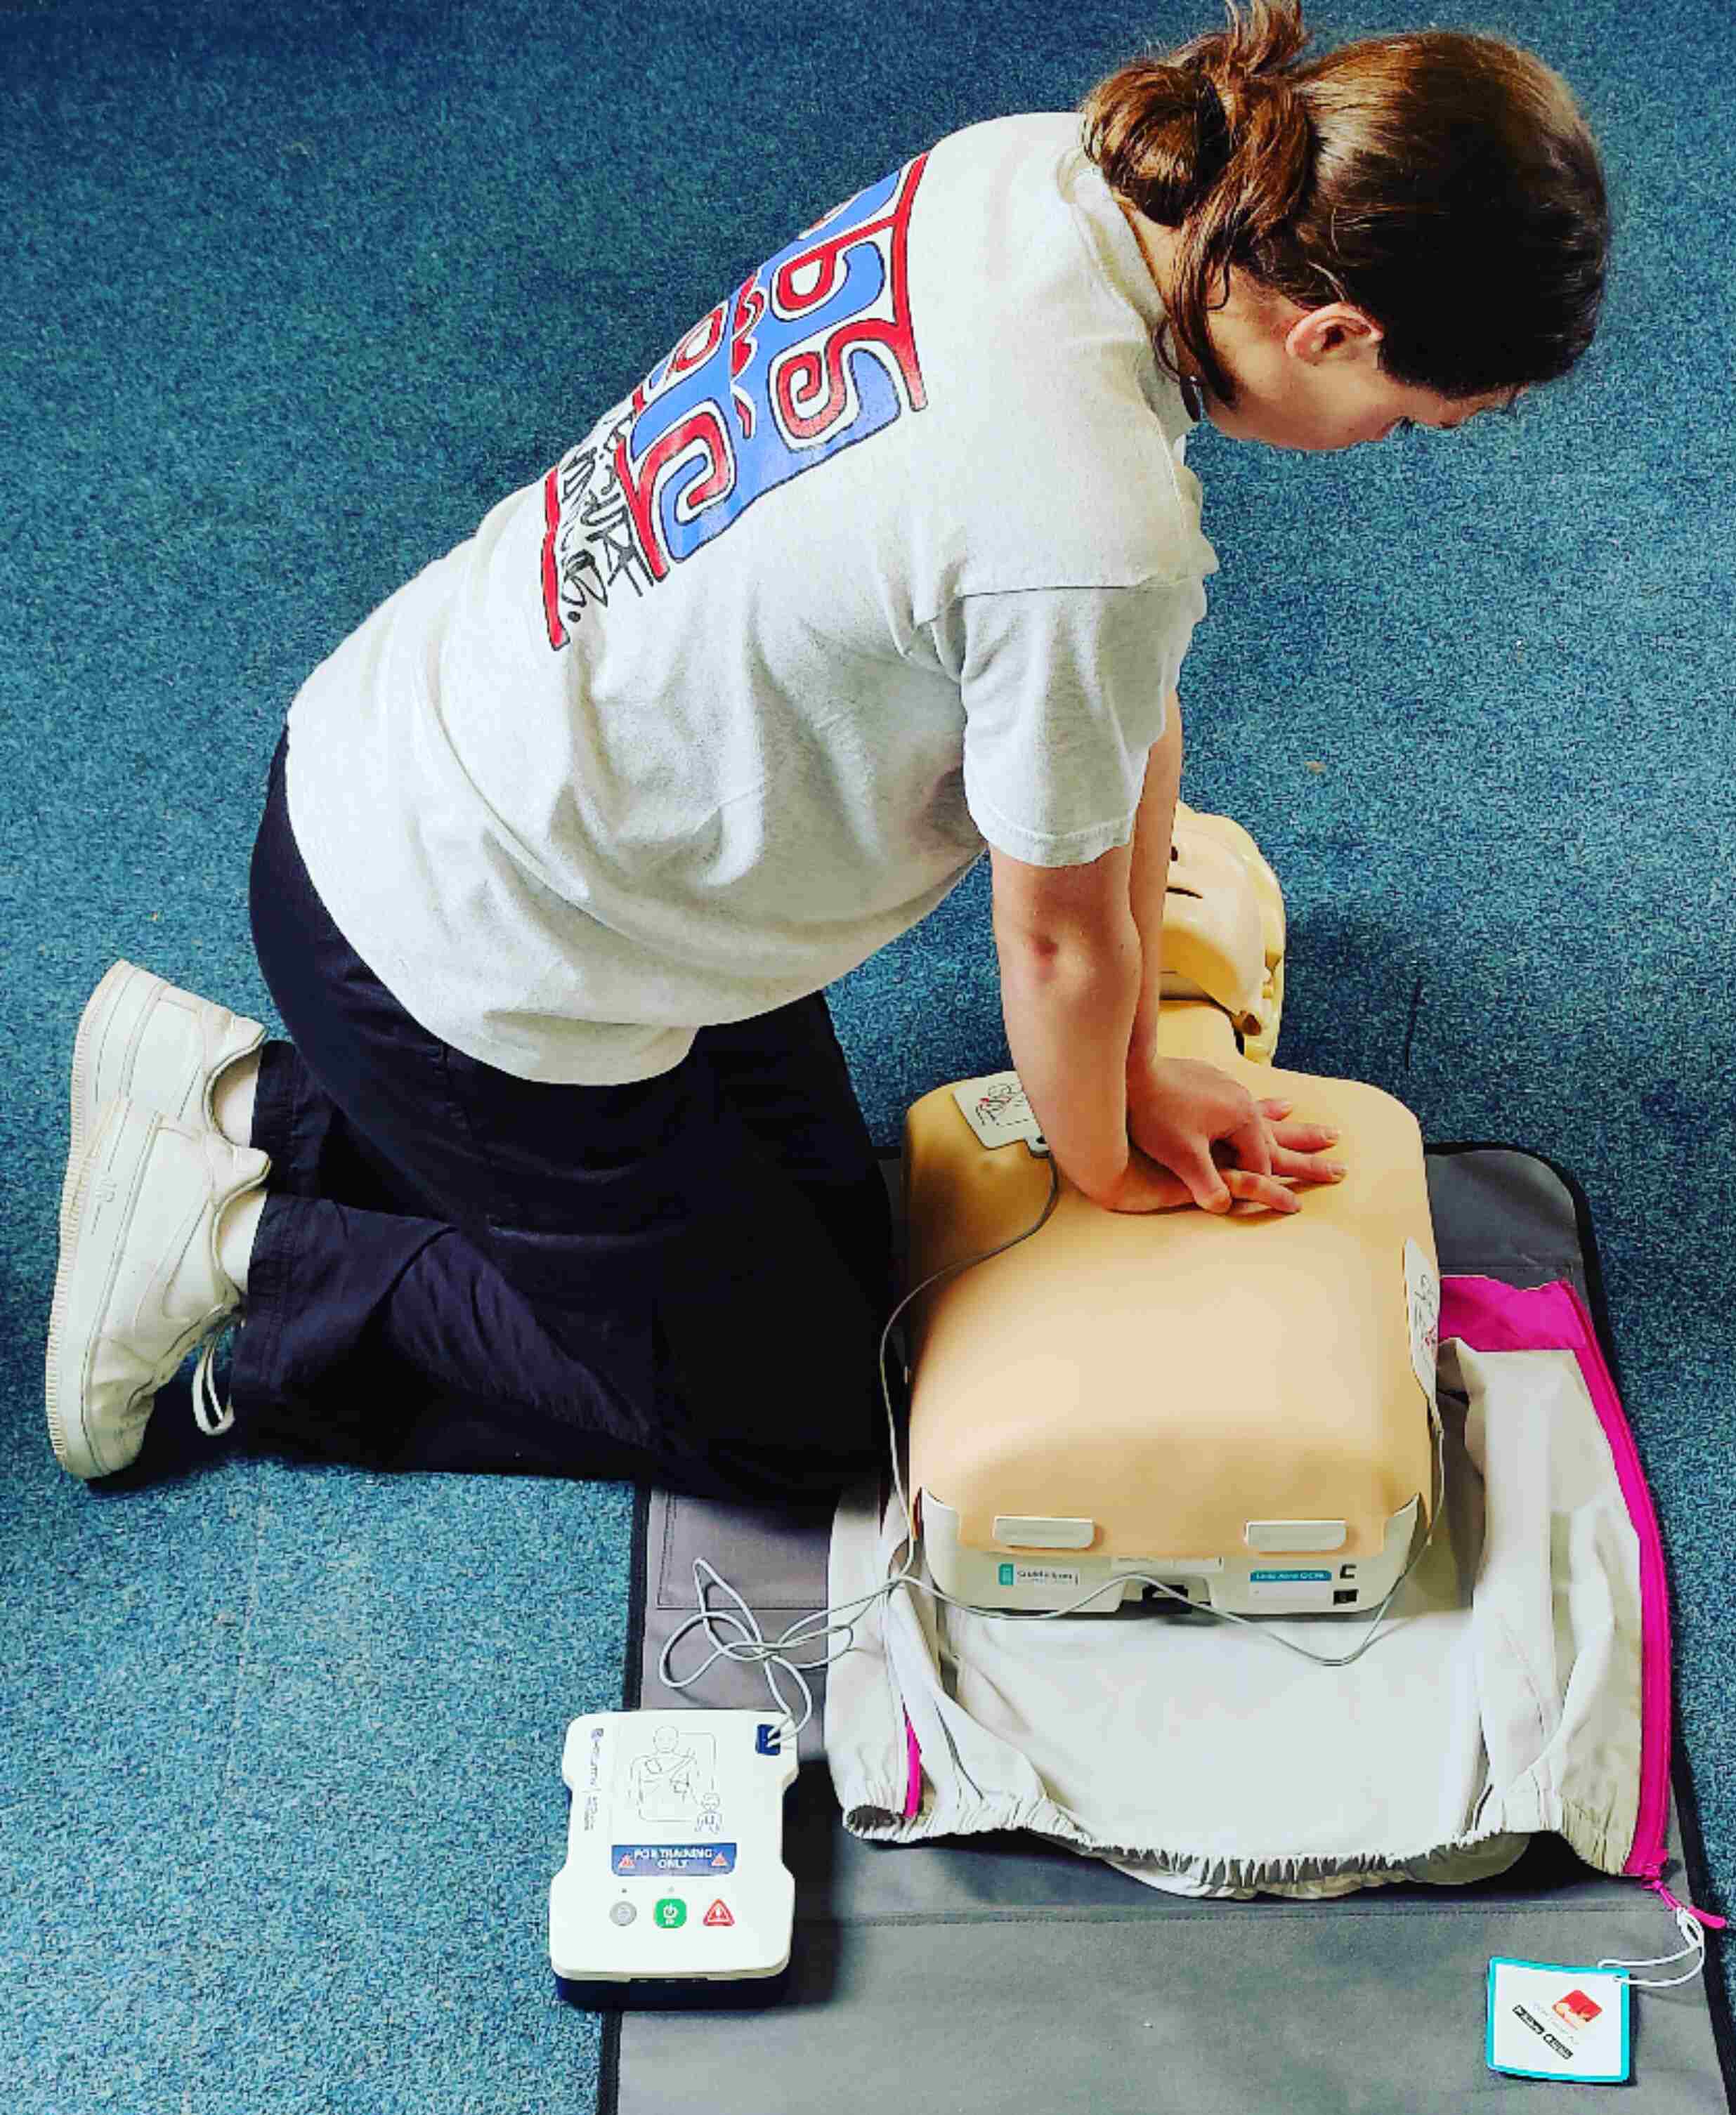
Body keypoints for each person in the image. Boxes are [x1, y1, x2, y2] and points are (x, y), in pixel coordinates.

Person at [44, 0, 1609, 1496]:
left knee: (860, 1278)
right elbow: (1057, 945)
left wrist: (1139, 1069)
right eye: (1407, 417)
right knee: (811, 1427)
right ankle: (247, 1271)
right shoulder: (1093, 528)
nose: (1385, 449)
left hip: (417, 756)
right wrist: (1110, 1164)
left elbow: (1116, 711)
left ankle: (240, 1103)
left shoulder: (1053, 174)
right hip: (462, 941)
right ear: (1333, 327)